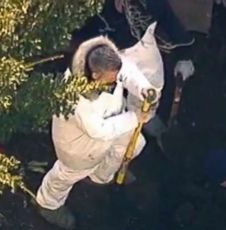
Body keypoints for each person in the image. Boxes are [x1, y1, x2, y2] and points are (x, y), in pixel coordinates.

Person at [35, 37, 158, 230]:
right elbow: (98, 130)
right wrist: (135, 117)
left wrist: (143, 88)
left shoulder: (105, 62)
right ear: (95, 75)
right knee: (66, 175)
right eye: (112, 79)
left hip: (113, 123)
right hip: (81, 146)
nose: (116, 81)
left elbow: (126, 71)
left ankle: (101, 177)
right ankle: (48, 204)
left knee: (134, 144)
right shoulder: (77, 98)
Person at [72, 0, 199, 149]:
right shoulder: (91, 9)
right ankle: (119, 139)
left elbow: (168, 19)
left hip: (142, 44)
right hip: (105, 53)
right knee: (107, 106)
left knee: (152, 88)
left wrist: (185, 55)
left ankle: (151, 128)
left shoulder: (152, 4)